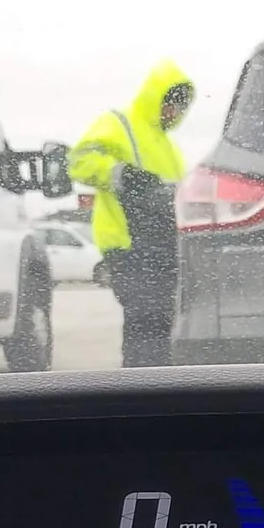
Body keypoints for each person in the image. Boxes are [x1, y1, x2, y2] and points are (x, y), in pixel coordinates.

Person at [68, 61, 194, 367]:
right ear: (157, 98)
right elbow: (79, 162)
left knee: (159, 324)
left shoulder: (170, 147)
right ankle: (142, 383)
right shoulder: (119, 123)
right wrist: (122, 174)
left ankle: (152, 379)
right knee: (146, 322)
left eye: (180, 107)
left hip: (162, 248)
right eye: (171, 103)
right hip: (129, 244)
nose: (174, 112)